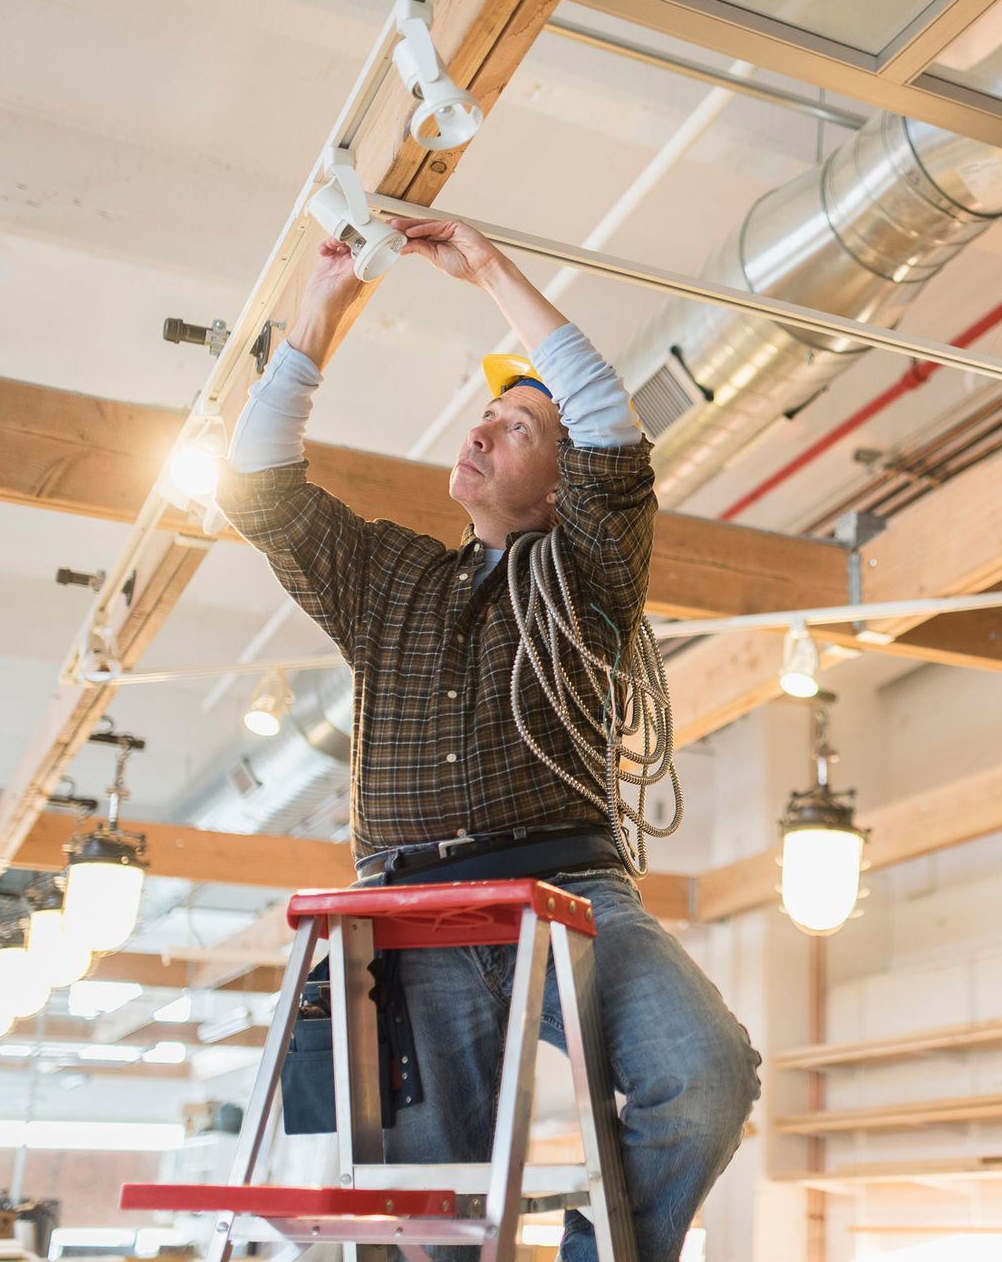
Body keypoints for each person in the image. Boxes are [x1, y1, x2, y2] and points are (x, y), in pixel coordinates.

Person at [216, 217, 761, 1262]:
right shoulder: (388, 581)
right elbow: (257, 485)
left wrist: (494, 272)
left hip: (573, 901)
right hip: (411, 916)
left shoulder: (591, 576)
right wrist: (316, 322)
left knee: (702, 1079)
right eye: (483, 416)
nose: (478, 432)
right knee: (435, 1231)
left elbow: (608, 424)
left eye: (515, 426)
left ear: (564, 487)